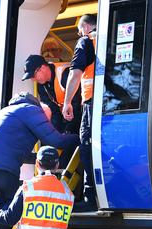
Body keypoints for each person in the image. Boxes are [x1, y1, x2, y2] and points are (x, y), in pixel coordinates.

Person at [0, 93, 79, 229]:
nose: (47, 124)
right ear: (41, 112)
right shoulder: (32, 110)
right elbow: (56, 140)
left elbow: (16, 150)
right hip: (2, 163)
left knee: (5, 204)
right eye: (47, 120)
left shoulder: (9, 111)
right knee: (15, 206)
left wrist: (39, 157)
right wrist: (80, 137)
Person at [62, 14, 98, 212]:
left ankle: (90, 197)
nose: (78, 34)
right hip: (114, 104)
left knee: (87, 148)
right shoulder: (109, 38)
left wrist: (67, 102)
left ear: (85, 27)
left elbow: (75, 73)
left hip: (92, 104)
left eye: (78, 30)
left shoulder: (86, 40)